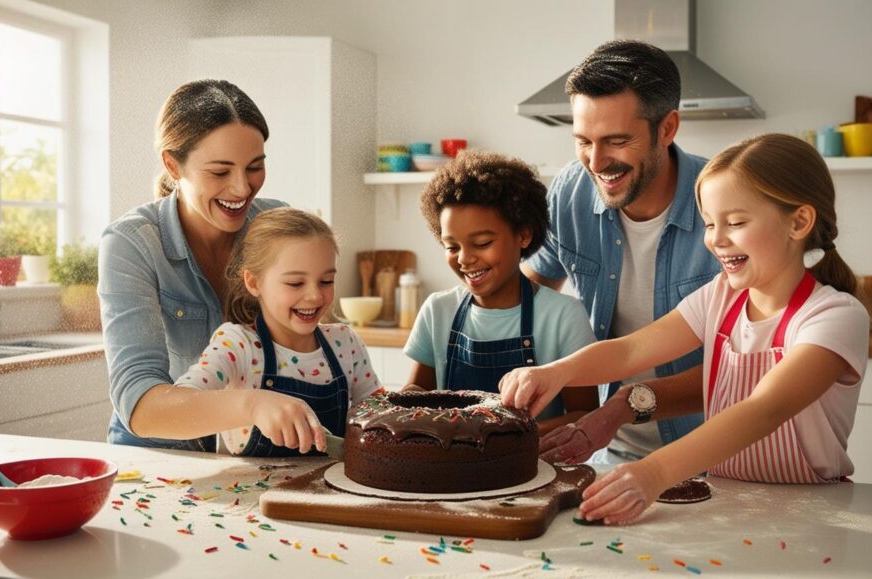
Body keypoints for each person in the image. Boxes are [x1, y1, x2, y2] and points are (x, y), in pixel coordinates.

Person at [501, 133, 870, 524]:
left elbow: (764, 409)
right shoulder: (720, 297)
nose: (715, 240)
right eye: (710, 224)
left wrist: (655, 472)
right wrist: (557, 372)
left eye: (736, 222)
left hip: (815, 515)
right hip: (726, 503)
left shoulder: (834, 316)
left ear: (799, 222)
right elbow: (630, 351)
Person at [522, 40, 720, 462]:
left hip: (717, 455)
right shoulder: (570, 192)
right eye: (582, 141)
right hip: (609, 451)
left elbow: (748, 365)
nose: (595, 161)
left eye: (616, 140)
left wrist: (623, 407)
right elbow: (529, 295)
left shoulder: (724, 204)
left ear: (667, 129)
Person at [100, 79, 284, 451]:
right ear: (172, 164)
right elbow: (139, 403)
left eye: (254, 167)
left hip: (252, 455)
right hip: (156, 458)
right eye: (219, 172)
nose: (241, 188)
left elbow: (316, 344)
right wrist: (250, 404)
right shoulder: (132, 243)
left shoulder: (277, 225)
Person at [403, 151, 599, 434]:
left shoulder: (563, 316)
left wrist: (506, 439)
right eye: (452, 246)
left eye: (482, 243)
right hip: (450, 471)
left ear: (523, 235)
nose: (464, 259)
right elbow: (417, 392)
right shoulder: (438, 310)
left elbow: (584, 416)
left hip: (533, 470)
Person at [172, 207, 379, 455]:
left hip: (332, 490)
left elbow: (376, 414)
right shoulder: (238, 346)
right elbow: (178, 406)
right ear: (254, 282)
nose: (314, 295)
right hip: (250, 493)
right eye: (295, 283)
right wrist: (251, 406)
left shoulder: (345, 343)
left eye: (326, 281)